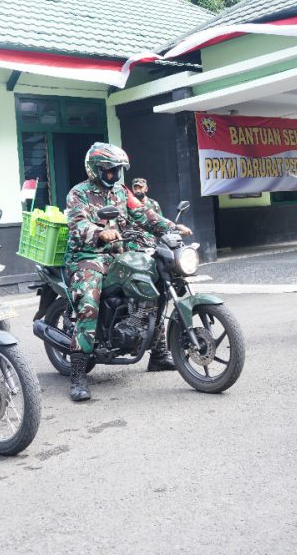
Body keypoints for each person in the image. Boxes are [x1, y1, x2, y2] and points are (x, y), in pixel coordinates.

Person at [64, 143, 189, 401]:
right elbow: (78, 224)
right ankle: (78, 375)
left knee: (154, 284)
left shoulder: (122, 191)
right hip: (89, 256)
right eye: (107, 170)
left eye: (116, 170)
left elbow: (144, 214)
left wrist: (171, 227)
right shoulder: (79, 193)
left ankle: (158, 355)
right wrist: (100, 232)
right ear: (95, 169)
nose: (112, 175)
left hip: (120, 253)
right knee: (89, 303)